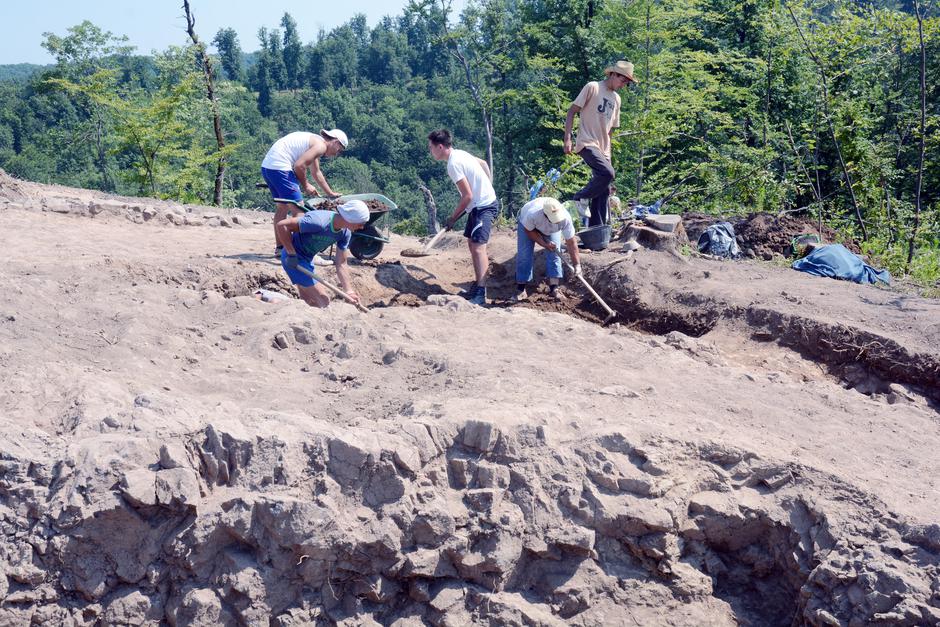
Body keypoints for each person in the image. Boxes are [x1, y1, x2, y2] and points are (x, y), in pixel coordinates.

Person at [427, 129, 499, 306]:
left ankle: (481, 293)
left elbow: (467, 196)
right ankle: (477, 286)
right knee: (471, 243)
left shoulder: (453, 164)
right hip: (477, 206)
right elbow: (482, 163)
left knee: (478, 248)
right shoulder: (460, 153)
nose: (430, 151)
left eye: (431, 148)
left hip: (484, 206)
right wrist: (486, 185)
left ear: (441, 146)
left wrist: (452, 218)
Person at [563, 61, 638, 228]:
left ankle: (597, 230)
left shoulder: (617, 99)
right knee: (608, 173)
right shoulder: (593, 87)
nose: (623, 85)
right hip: (587, 142)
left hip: (603, 148)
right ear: (613, 74)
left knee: (603, 189)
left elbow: (610, 131)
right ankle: (580, 197)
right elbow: (571, 111)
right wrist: (567, 138)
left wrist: (608, 153)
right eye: (623, 80)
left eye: (627, 83)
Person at [261, 129, 349, 252]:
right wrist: (306, 185)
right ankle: (300, 251)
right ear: (336, 142)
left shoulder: (316, 143)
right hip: (280, 168)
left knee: (282, 208)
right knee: (300, 211)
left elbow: (316, 172)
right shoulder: (320, 146)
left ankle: (281, 248)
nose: (337, 153)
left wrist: (330, 193)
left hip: (268, 167)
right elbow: (299, 165)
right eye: (339, 150)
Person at [275, 199, 369, 308]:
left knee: (310, 302)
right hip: (293, 260)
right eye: (361, 224)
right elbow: (282, 225)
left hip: (307, 261)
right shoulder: (318, 222)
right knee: (324, 302)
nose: (362, 227)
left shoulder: (345, 233)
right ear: (351, 219)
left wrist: (349, 291)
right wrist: (291, 253)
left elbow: (341, 263)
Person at [515, 197, 582, 302]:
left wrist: (577, 265)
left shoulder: (565, 218)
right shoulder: (532, 214)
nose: (556, 221)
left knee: (555, 252)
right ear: (545, 215)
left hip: (549, 229)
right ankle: (521, 289)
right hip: (527, 226)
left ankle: (554, 288)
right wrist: (544, 244)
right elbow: (529, 231)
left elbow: (571, 242)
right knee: (524, 254)